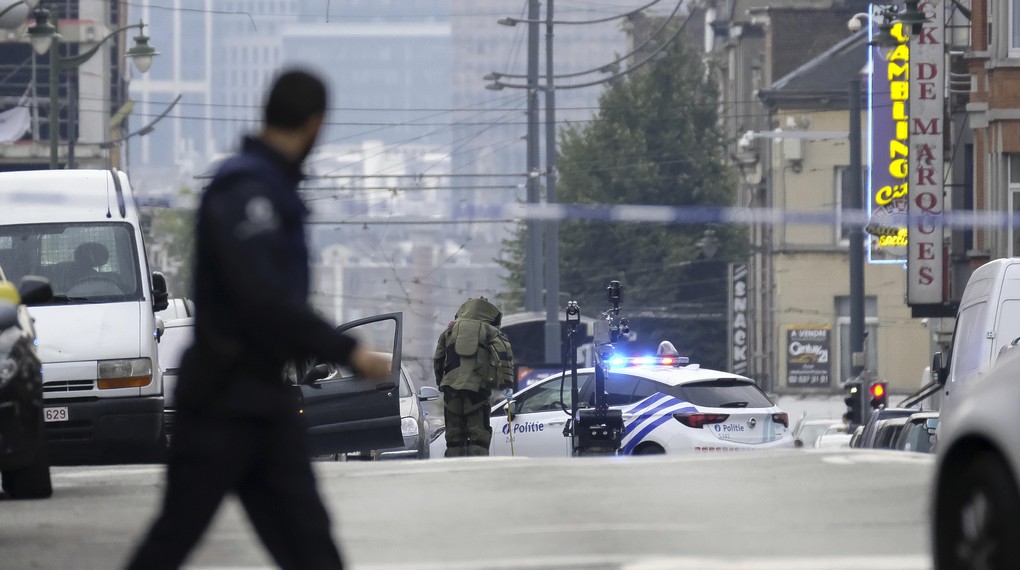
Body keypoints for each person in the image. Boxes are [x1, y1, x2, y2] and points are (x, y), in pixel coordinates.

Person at [126, 69, 389, 570]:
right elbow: (262, 298)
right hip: (223, 405)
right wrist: (348, 352)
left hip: (262, 401)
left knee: (311, 546)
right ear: (315, 125)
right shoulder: (249, 190)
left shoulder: (264, 187)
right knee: (173, 541)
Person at [433, 297, 514, 456]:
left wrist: (440, 382)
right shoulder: (491, 331)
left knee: (454, 437)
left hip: (451, 390)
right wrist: (507, 385)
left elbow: (438, 358)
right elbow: (503, 357)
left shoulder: (449, 331)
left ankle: (453, 473)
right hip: (477, 390)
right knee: (479, 436)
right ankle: (477, 472)